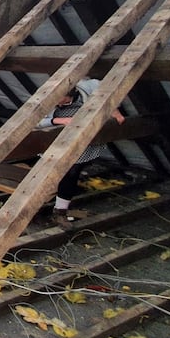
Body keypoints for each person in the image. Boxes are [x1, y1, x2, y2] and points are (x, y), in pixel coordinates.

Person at [37, 78, 125, 229]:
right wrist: (59, 120)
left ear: (70, 93)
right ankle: (40, 208)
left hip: (84, 140)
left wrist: (115, 110)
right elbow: (37, 122)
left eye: (61, 100)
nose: (58, 104)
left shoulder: (89, 87)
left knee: (72, 172)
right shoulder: (48, 99)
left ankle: (60, 212)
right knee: (55, 173)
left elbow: (109, 93)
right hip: (59, 141)